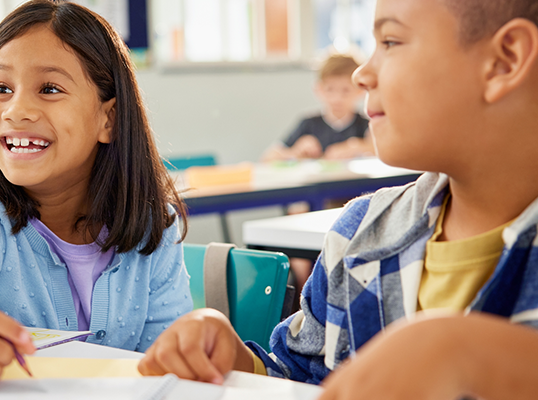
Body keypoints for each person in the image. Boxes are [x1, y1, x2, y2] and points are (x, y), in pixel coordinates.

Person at [138, 0, 538, 398]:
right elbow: (297, 376)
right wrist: (236, 360)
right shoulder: (359, 234)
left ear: (505, 60)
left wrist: (469, 356)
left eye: (391, 40)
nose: (363, 73)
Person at [0, 0, 192, 394]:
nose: (17, 110)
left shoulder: (153, 223)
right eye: (1, 88)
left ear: (108, 119)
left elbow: (167, 358)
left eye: (49, 88)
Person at [261, 54, 372, 162]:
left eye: (346, 91)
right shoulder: (308, 124)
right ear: (319, 89)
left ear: (360, 91)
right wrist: (297, 151)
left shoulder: (365, 126)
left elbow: (383, 154)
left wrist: (357, 147)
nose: (337, 98)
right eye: (330, 90)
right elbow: (268, 157)